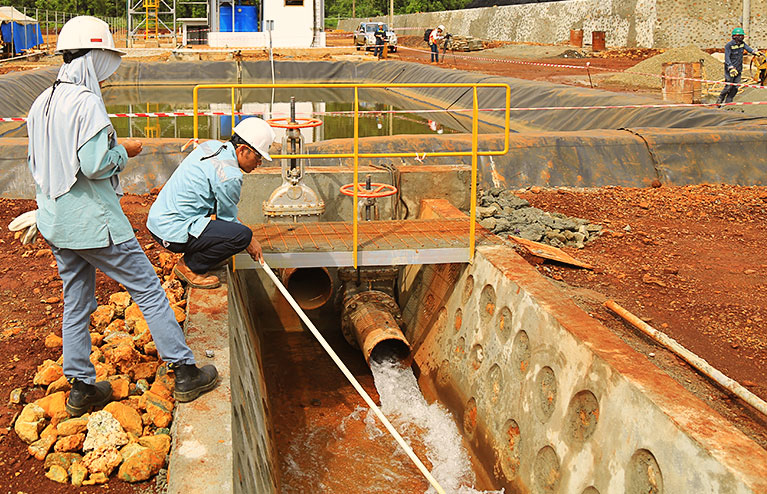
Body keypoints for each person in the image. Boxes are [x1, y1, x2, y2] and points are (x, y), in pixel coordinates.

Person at [25, 16, 218, 416]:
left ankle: (80, 387)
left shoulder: (42, 101)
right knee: (147, 288)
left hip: (57, 222)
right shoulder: (85, 101)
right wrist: (122, 152)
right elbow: (95, 164)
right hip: (94, 223)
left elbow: (41, 163)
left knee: (76, 300)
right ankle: (184, 371)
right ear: (94, 57)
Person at [146, 117, 276, 289]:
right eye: (258, 157)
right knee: (242, 236)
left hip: (158, 222)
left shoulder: (212, 146)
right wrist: (250, 241)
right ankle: (191, 266)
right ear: (244, 150)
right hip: (172, 232)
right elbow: (227, 220)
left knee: (234, 231)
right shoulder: (230, 176)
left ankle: (201, 259)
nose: (259, 163)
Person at [716, 27, 762, 106]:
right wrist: (731, 68)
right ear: (735, 36)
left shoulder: (742, 44)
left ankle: (728, 102)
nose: (742, 37)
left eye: (742, 36)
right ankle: (719, 100)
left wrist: (754, 52)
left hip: (739, 69)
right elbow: (727, 58)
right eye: (740, 36)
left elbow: (748, 49)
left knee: (736, 87)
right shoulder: (729, 45)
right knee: (729, 86)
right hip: (730, 70)